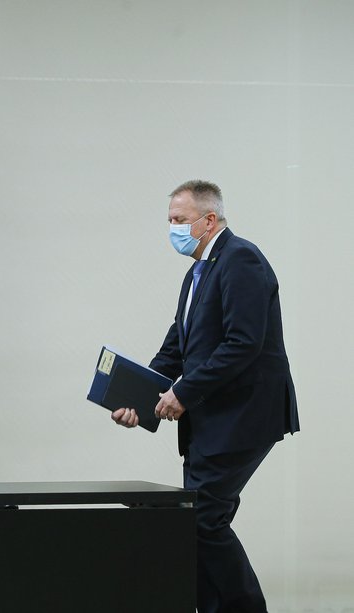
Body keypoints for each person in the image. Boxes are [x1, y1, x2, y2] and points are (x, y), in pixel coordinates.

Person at [112, 180, 300, 612]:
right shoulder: (198, 272)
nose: (172, 230)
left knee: (201, 521)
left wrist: (182, 392)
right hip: (214, 417)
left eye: (179, 220)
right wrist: (137, 399)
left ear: (208, 220)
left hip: (245, 415)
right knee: (197, 523)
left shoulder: (241, 259)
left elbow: (243, 343)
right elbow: (176, 347)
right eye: (169, 221)